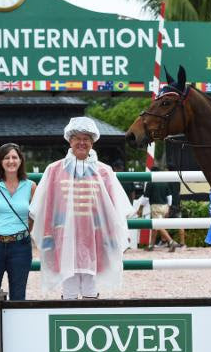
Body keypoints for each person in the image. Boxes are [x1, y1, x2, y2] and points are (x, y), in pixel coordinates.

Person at [29, 117, 133, 299]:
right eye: (78, 138)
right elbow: (47, 206)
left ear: (92, 142)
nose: (82, 143)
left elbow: (115, 208)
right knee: (68, 284)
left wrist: (114, 235)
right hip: (64, 235)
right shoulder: (54, 170)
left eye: (86, 139)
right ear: (70, 141)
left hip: (95, 235)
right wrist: (47, 235)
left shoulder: (104, 171)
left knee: (91, 285)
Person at [0, 143, 36, 300]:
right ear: (0, 162)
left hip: (20, 247)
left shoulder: (31, 187)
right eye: (6, 157)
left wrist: (20, 232)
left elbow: (32, 218)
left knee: (18, 296)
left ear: (21, 160)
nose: (11, 161)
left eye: (14, 157)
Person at [138, 167, 180, 252]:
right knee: (155, 227)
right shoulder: (165, 182)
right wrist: (169, 207)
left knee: (158, 225)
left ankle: (171, 242)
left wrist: (140, 208)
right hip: (165, 206)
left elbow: (146, 198)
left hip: (155, 206)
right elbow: (169, 196)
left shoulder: (150, 183)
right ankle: (151, 245)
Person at [168, 180, 186, 247]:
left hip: (170, 204)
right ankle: (182, 242)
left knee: (162, 223)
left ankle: (164, 240)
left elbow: (168, 194)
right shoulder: (177, 180)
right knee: (180, 224)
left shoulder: (166, 180)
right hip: (177, 203)